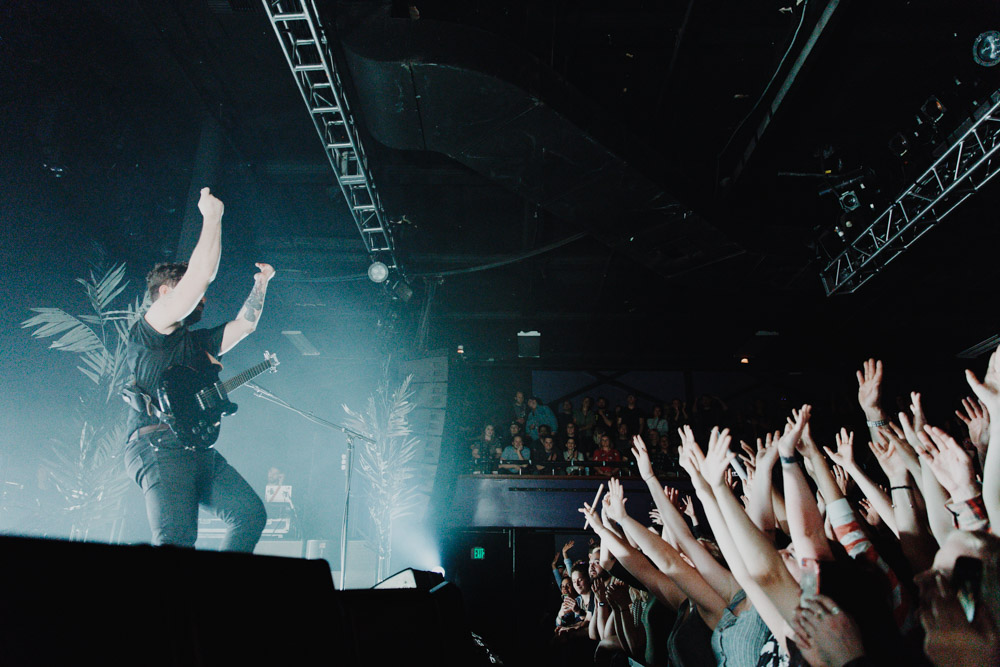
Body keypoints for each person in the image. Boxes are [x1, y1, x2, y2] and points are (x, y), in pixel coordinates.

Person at [122, 187, 270, 551]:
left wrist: (261, 284)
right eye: (187, 290)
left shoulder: (198, 343)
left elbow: (246, 325)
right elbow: (200, 277)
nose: (201, 299)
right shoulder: (152, 326)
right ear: (164, 293)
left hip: (197, 447)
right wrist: (212, 216)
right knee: (177, 540)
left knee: (249, 514)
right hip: (158, 444)